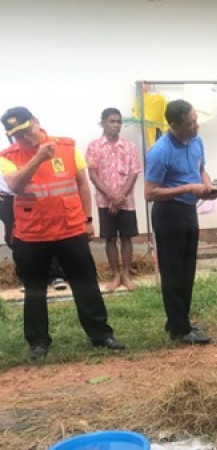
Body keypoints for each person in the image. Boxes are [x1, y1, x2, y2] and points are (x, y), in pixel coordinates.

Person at [0, 106, 125, 360]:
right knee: (35, 290)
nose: (24, 138)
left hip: (70, 229)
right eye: (17, 135)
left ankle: (101, 335)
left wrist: (88, 220)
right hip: (32, 234)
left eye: (27, 130)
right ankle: (38, 342)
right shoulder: (7, 156)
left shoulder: (66, 147)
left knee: (86, 284)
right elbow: (14, 184)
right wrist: (37, 157)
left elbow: (82, 184)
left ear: (36, 121)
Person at [144, 99, 217, 345]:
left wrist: (206, 185)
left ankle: (179, 320)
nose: (196, 127)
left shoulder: (197, 141)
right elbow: (149, 193)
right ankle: (179, 328)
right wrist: (188, 187)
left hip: (188, 210)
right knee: (173, 272)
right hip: (168, 214)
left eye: (196, 121)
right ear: (174, 125)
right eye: (190, 124)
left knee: (187, 270)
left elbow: (201, 169)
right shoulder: (160, 151)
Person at [86, 107, 141, 292]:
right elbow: (93, 175)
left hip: (126, 201)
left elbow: (134, 173)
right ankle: (115, 274)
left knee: (127, 237)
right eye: (112, 121)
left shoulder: (129, 146)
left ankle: (126, 273)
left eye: (118, 121)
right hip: (104, 201)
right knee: (109, 238)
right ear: (103, 123)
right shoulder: (94, 147)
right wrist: (111, 197)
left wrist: (121, 197)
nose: (116, 125)